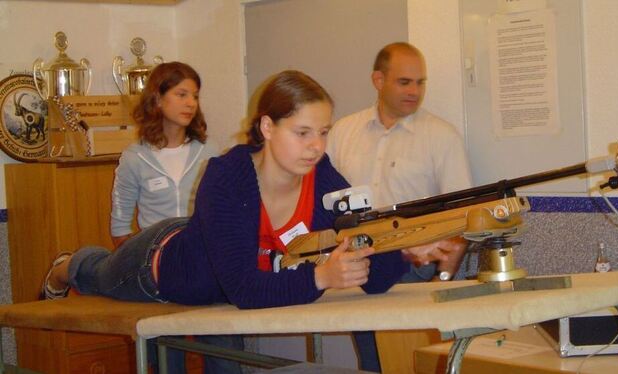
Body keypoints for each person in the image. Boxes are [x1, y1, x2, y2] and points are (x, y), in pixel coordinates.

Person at [40, 70, 448, 370]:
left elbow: (372, 278)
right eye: (302, 133)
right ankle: (65, 265)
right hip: (159, 265)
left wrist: (403, 249)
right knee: (95, 272)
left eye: (323, 132)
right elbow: (245, 289)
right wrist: (323, 277)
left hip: (220, 289)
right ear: (268, 127)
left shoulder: (321, 175)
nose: (316, 147)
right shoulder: (228, 174)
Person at [326, 42, 473, 372]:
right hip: (356, 267)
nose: (415, 91)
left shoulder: (441, 136)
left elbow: (461, 218)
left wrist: (443, 279)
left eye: (421, 82)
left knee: (409, 364)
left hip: (413, 274)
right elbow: (322, 203)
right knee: (373, 363)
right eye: (404, 82)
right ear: (378, 80)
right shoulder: (343, 133)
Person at [105, 61, 232, 374]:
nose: (191, 103)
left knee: (224, 357)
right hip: (158, 270)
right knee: (165, 362)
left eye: (195, 96)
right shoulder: (135, 157)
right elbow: (120, 226)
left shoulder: (210, 150)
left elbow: (222, 209)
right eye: (182, 94)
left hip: (205, 263)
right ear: (158, 100)